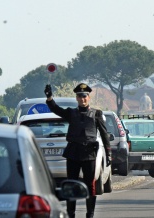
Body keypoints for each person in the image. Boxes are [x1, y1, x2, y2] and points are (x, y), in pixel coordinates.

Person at [44, 83, 111, 218]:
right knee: (71, 185)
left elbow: (104, 134)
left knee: (90, 186)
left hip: (89, 153)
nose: (82, 99)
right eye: (80, 96)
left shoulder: (96, 114)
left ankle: (90, 214)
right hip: (73, 153)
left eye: (84, 96)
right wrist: (50, 98)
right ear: (76, 98)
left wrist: (109, 153)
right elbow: (56, 109)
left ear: (88, 97)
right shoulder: (71, 112)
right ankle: (71, 214)